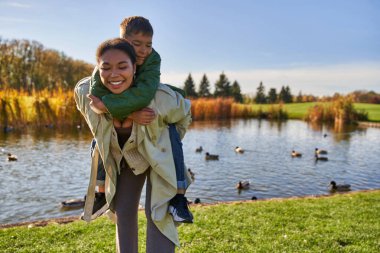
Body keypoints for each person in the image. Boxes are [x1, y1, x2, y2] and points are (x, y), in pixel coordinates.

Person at [75, 38, 192, 252]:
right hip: (128, 158)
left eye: (122, 66)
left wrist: (165, 141)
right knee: (123, 210)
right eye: (106, 67)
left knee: (158, 212)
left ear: (134, 67)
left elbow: (185, 112)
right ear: (97, 70)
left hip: (158, 157)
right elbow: (86, 103)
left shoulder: (160, 97)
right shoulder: (89, 96)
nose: (114, 74)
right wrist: (124, 111)